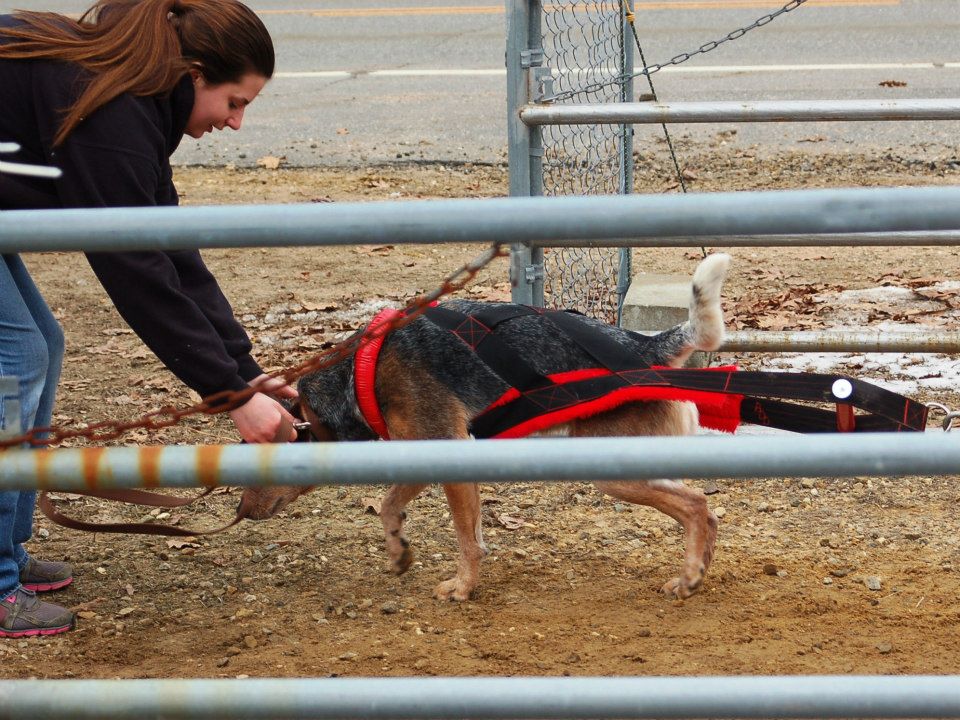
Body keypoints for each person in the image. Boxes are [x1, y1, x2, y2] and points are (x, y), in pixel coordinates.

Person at [0, 0, 297, 637]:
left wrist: (245, 375)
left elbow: (173, 253)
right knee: (17, 357)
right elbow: (137, 272)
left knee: (40, 343)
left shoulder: (135, 107)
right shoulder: (115, 116)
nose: (237, 123)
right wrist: (230, 397)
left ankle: (9, 555)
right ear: (193, 74)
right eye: (235, 101)